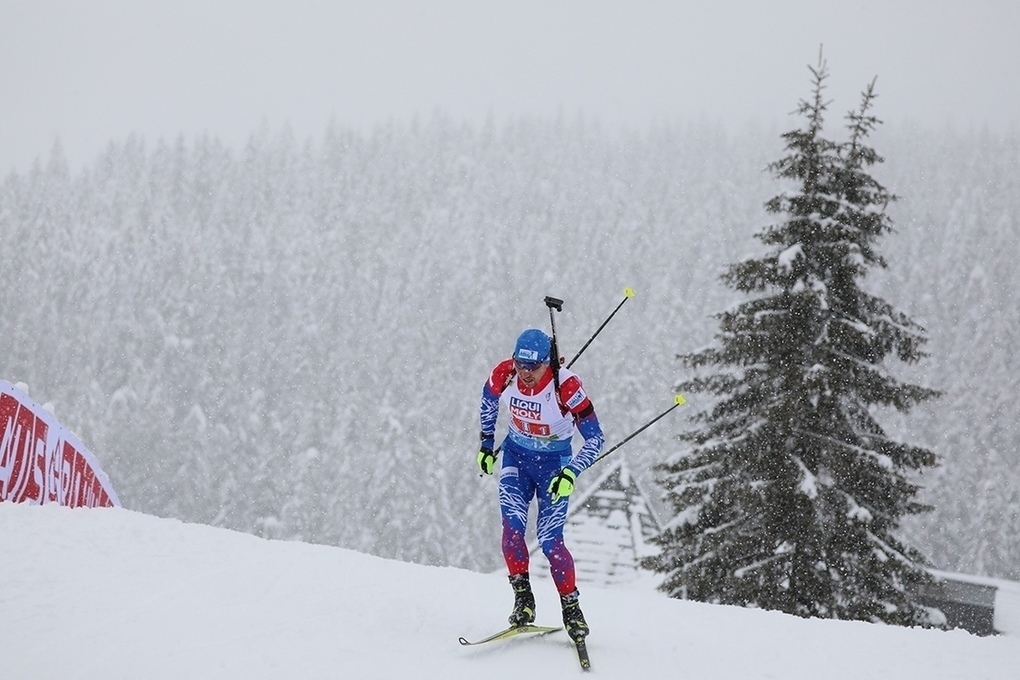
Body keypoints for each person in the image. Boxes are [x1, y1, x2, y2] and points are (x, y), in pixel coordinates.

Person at [477, 328, 605, 642]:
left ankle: (572, 609)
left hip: (554, 468)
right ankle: (523, 600)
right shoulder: (504, 374)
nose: (525, 373)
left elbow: (596, 438)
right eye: (521, 364)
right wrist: (485, 444)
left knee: (550, 543)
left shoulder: (567, 386)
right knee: (512, 529)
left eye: (533, 367)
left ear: (547, 363)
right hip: (516, 461)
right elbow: (488, 404)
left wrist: (571, 472)